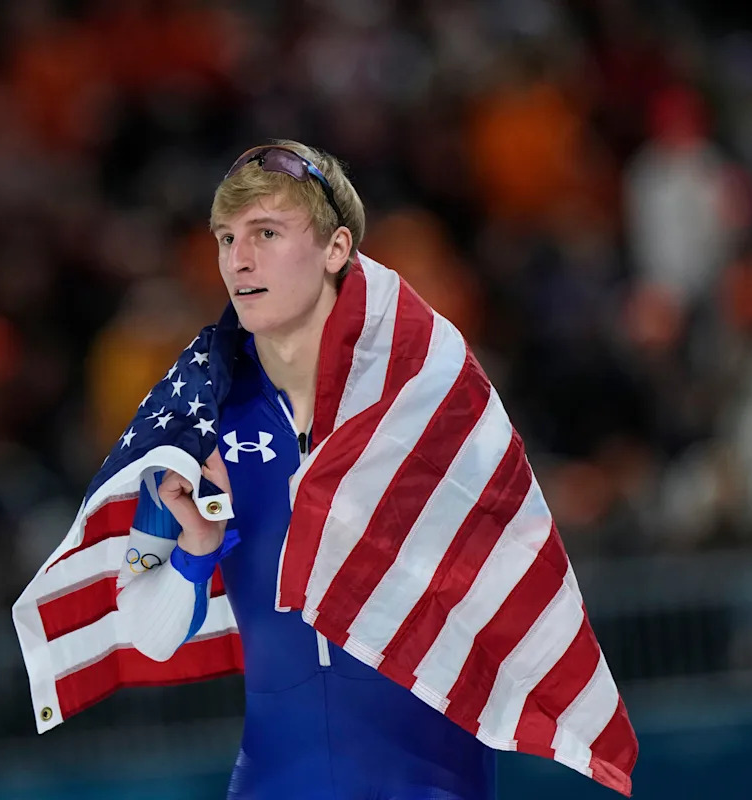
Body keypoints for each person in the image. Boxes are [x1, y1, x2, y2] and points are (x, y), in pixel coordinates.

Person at [115, 140, 497, 799]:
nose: (239, 258)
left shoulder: (425, 398)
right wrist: (196, 552)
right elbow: (145, 633)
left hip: (427, 778)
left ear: (335, 249)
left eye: (266, 232)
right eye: (227, 237)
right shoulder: (198, 426)